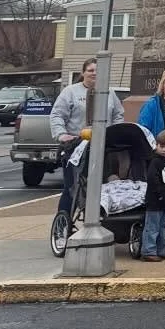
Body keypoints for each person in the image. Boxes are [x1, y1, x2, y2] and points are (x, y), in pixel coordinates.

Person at [49, 59, 124, 219]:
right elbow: (57, 115)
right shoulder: (70, 92)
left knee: (106, 186)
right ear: (83, 73)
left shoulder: (109, 93)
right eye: (90, 70)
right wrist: (61, 134)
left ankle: (102, 222)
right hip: (77, 146)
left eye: (98, 70)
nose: (94, 73)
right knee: (73, 188)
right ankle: (64, 223)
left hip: (104, 147)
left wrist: (116, 131)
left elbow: (118, 114)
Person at [140, 129, 165, 261]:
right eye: (161, 146)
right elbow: (153, 180)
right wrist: (161, 194)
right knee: (152, 227)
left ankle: (162, 249)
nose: (163, 149)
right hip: (155, 201)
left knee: (164, 228)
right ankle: (149, 251)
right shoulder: (154, 162)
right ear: (156, 145)